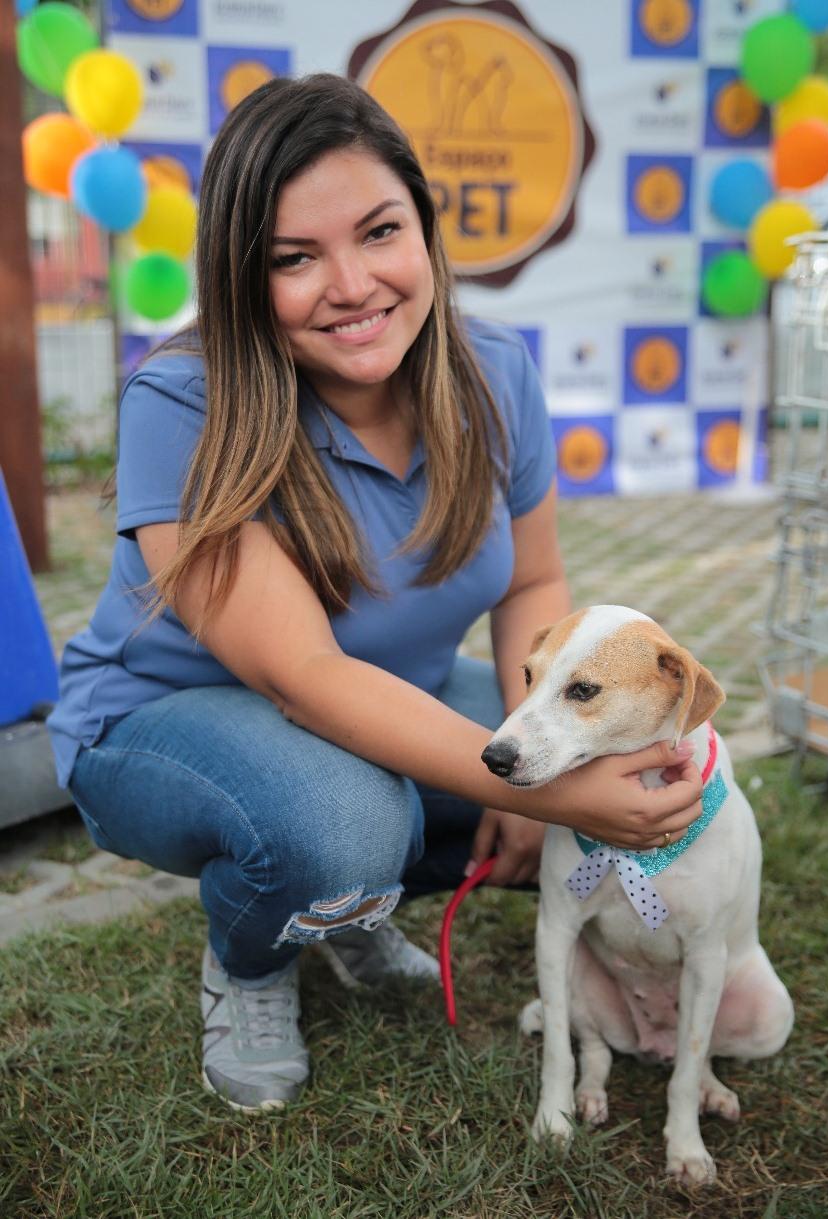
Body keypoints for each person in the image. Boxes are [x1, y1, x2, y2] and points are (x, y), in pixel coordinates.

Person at [47, 74, 702, 1113]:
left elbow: (533, 581)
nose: (349, 285)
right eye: (292, 259)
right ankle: (255, 957)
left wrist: (541, 748)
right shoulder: (182, 400)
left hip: (357, 706)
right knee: (344, 825)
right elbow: (305, 678)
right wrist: (527, 786)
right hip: (157, 725)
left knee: (602, 743)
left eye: (377, 232)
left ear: (425, 231)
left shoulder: (494, 371)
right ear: (239, 275)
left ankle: (344, 910)